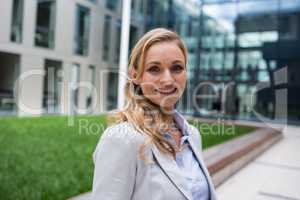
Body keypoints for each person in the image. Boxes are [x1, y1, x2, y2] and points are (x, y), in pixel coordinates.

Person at [92, 28, 217, 200]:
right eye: (154, 69)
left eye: (177, 68)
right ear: (135, 75)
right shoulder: (121, 139)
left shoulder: (192, 135)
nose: (167, 80)